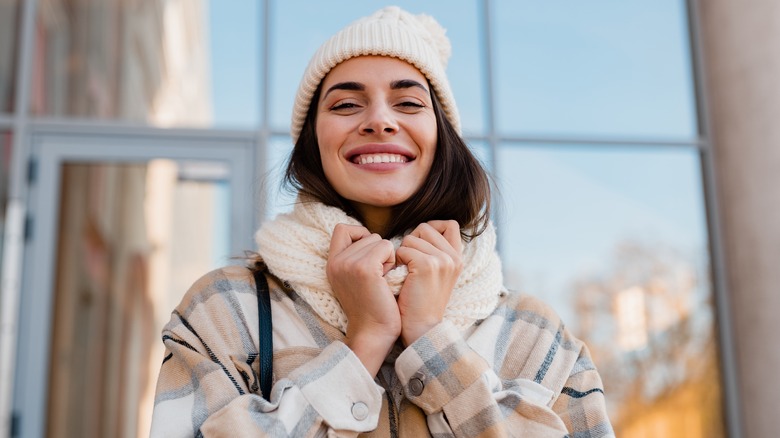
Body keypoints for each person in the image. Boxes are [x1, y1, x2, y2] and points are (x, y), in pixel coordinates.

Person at [150, 6, 615, 437]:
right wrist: (365, 341)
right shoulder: (228, 309)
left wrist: (433, 339)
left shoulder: (533, 332)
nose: (379, 120)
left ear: (442, 138)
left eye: (409, 104)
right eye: (346, 105)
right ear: (313, 142)